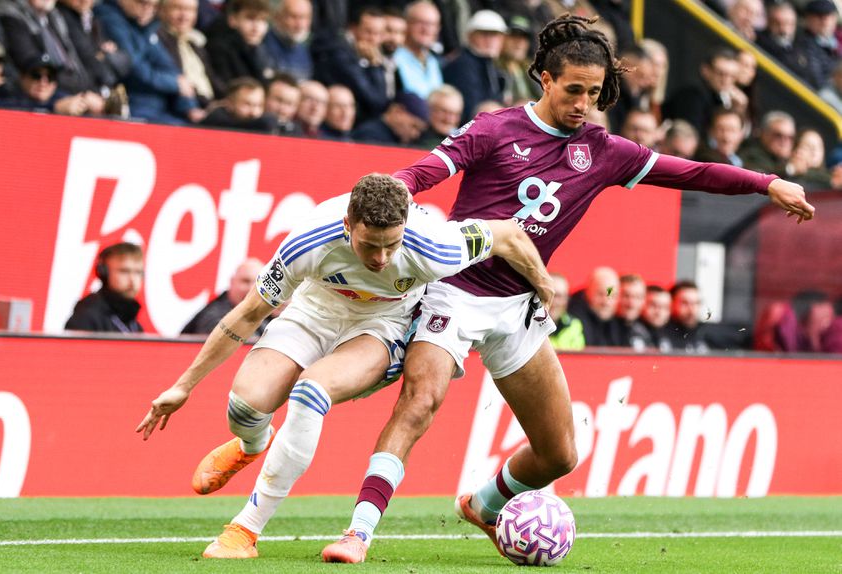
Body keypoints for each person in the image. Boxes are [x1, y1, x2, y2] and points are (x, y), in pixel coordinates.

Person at [320, 14, 814, 564]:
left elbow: (692, 172)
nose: (583, 103)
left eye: (595, 93)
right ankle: (357, 532)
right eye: (574, 89)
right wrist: (387, 196)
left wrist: (767, 182)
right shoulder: (494, 128)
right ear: (546, 80)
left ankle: (482, 505)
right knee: (420, 402)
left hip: (519, 306)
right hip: (453, 292)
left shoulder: (602, 150)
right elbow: (428, 169)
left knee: (559, 454)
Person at [136, 173, 556, 559]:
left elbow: (509, 235)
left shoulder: (435, 244)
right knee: (245, 409)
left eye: (392, 244)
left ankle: (244, 531)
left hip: (381, 326)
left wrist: (542, 281)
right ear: (346, 226)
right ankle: (253, 444)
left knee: (310, 393)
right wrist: (184, 385)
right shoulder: (308, 242)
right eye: (370, 245)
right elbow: (245, 315)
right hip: (312, 314)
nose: (382, 258)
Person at [65, 242, 145, 333]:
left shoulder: (133, 323)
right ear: (104, 273)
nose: (133, 280)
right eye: (124, 271)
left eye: (138, 272)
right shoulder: (87, 316)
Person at [181, 258, 268, 335]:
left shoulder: (266, 315)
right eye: (245, 281)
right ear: (232, 282)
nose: (251, 288)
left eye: (257, 283)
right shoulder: (213, 316)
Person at [662, 280, 710, 353]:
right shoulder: (659, 334)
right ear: (671, 304)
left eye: (696, 303)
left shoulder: (705, 333)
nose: (691, 310)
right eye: (685, 303)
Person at [547, 272, 584, 350]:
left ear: (566, 300)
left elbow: (578, 358)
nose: (554, 302)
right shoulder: (526, 323)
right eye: (550, 294)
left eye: (559, 296)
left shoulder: (574, 325)